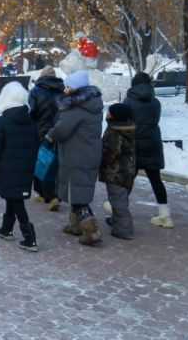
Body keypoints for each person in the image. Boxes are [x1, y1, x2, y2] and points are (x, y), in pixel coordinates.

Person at [46, 70, 104, 246]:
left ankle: (91, 229)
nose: (65, 90)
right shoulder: (92, 104)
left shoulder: (76, 108)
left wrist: (50, 135)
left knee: (77, 194)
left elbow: (62, 129)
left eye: (68, 87)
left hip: (75, 155)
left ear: (76, 89)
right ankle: (75, 224)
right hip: (88, 153)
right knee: (76, 190)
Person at [0, 82, 39, 252]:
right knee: (13, 196)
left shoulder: (2, 122)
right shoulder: (31, 121)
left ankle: (29, 238)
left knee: (17, 201)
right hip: (25, 169)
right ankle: (6, 228)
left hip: (7, 168)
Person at [123, 72, 173, 228]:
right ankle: (165, 215)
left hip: (135, 144)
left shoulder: (128, 101)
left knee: (129, 177)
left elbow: (125, 123)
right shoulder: (155, 102)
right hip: (153, 144)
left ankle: (117, 205)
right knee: (156, 179)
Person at [28, 66, 64, 210]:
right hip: (57, 131)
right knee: (54, 163)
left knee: (40, 162)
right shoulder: (62, 92)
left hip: (40, 131)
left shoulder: (36, 91)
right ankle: (54, 194)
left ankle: (42, 194)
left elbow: (32, 112)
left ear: (42, 76)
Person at [100, 103, 137, 240]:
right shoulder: (128, 129)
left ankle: (124, 229)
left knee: (118, 201)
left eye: (109, 112)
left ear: (115, 116)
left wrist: (102, 160)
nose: (106, 114)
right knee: (120, 197)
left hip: (116, 172)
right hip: (128, 170)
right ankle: (116, 221)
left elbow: (111, 153)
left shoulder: (114, 132)